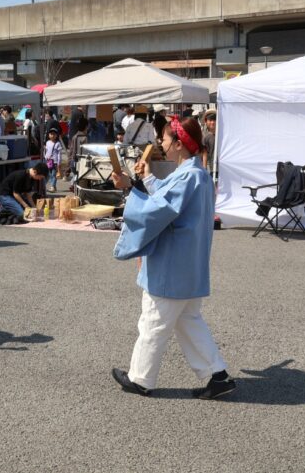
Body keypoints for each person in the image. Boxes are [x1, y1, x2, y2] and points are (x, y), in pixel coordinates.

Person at [110, 116, 235, 400]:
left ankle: (140, 379)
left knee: (153, 321)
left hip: (172, 264)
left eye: (165, 140)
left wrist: (130, 188)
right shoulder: (197, 174)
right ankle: (217, 375)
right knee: (189, 321)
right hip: (188, 266)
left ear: (179, 144)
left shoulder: (188, 176)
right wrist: (144, 179)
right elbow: (166, 199)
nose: (161, 144)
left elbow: (158, 210)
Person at [201, 109, 217, 175]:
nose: (212, 122)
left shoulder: (222, 134)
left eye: (214, 120)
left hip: (222, 167)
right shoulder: (204, 136)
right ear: (206, 121)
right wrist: (204, 169)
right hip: (210, 168)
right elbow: (204, 153)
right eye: (210, 120)